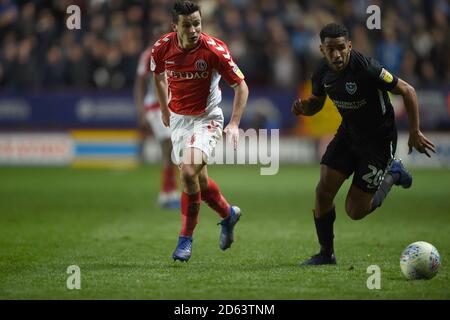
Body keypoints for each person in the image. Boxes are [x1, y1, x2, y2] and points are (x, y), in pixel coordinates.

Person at [291, 23, 436, 265]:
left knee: (355, 211)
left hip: (378, 142)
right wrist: (305, 108)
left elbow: (408, 91)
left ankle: (393, 174)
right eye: (330, 49)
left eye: (341, 48)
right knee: (323, 191)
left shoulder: (368, 68)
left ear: (349, 46)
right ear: (321, 50)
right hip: (348, 134)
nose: (336, 55)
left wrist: (414, 131)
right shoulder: (321, 72)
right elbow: (316, 103)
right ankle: (326, 254)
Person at [151, 1, 249, 262]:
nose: (193, 29)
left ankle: (185, 240)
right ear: (175, 27)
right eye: (187, 25)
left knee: (186, 172)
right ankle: (228, 215)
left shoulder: (214, 50)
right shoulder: (162, 48)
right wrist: (164, 109)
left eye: (197, 23)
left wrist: (235, 123)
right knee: (199, 182)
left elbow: (241, 86)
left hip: (207, 118)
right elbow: (158, 76)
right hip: (179, 120)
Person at [135, 31, 181, 210]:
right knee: (168, 146)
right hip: (154, 107)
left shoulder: (174, 54)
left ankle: (169, 193)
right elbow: (139, 83)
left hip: (170, 107)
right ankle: (167, 194)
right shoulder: (148, 55)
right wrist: (141, 112)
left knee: (172, 148)